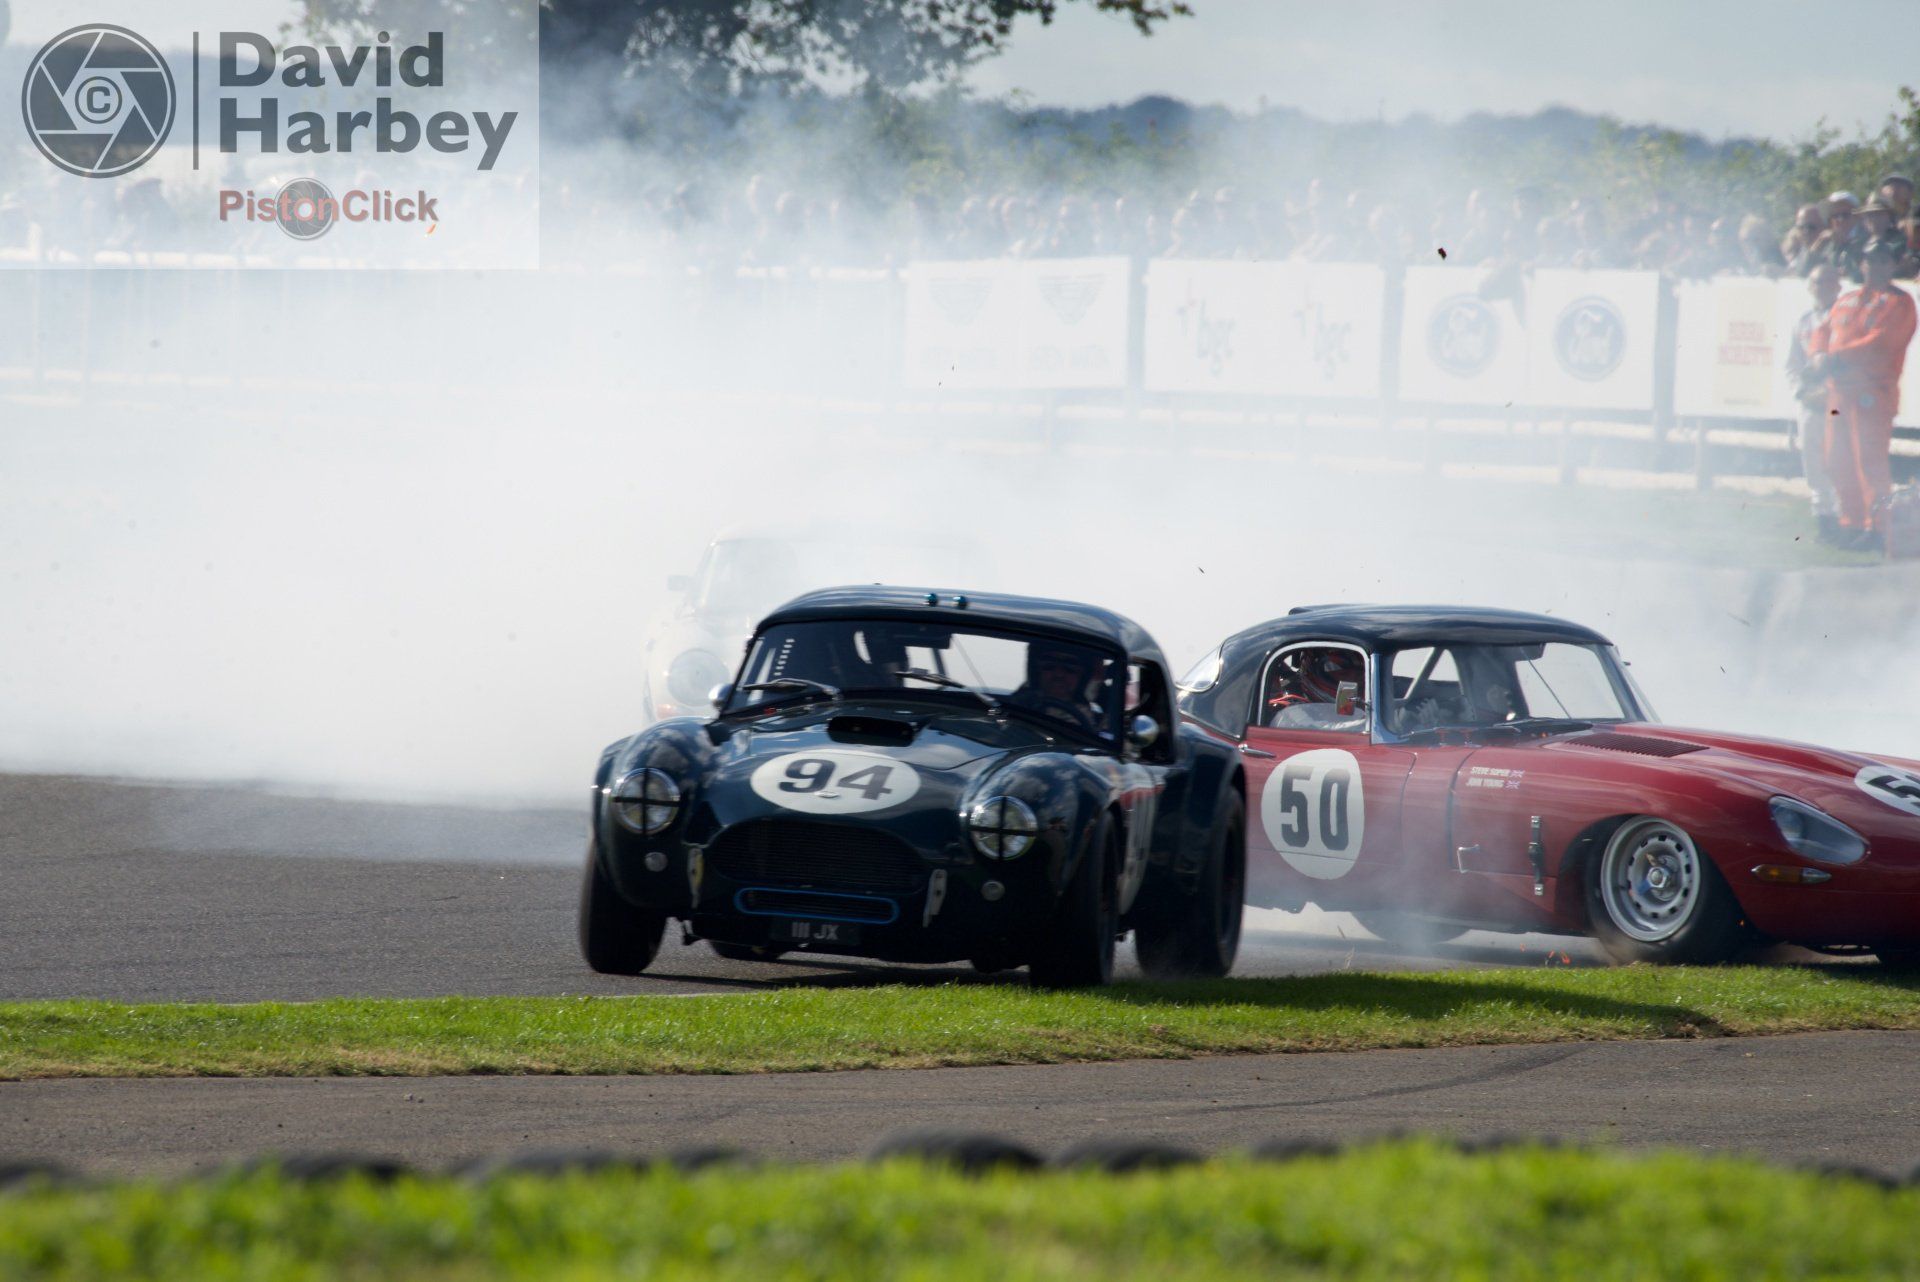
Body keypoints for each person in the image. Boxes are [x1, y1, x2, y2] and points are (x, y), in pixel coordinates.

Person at [1809, 237, 1919, 551]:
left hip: (1872, 394)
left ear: (1894, 264)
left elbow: (1882, 342)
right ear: (1862, 263)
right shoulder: (1847, 299)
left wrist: (1836, 357)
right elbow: (1823, 329)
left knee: (1869, 463)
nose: (1877, 265)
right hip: (1838, 394)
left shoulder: (1900, 302)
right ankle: (1852, 522)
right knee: (1835, 460)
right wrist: (1818, 353)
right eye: (1871, 259)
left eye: (1884, 260)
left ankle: (1879, 529)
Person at [1785, 263, 1845, 542]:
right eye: (1817, 283)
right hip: (1809, 402)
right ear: (1810, 287)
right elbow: (1793, 364)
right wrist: (1802, 391)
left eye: (1828, 282)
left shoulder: (1846, 317)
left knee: (1838, 459)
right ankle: (1823, 520)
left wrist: (1831, 391)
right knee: (1812, 461)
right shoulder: (1803, 321)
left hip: (1838, 401)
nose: (1822, 288)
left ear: (1838, 286)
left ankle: (1843, 518)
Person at [1265, 648, 1367, 730]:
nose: (1352, 678)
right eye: (1335, 669)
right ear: (1309, 670)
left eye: (1359, 671)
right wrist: (1367, 723)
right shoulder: (1290, 711)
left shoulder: (1372, 695)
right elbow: (1322, 731)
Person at [1011, 644, 1102, 733]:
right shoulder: (1018, 704)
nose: (1058, 674)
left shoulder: (1088, 719)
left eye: (1069, 668)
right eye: (1049, 666)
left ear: (1082, 675)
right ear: (1037, 670)